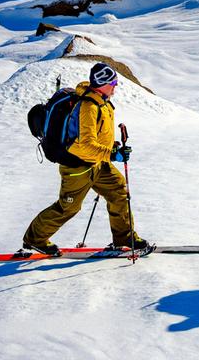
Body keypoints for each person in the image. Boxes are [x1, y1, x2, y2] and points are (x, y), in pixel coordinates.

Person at [22, 62, 147, 256]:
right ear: (102, 83)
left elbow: (96, 136)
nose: (115, 86)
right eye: (113, 82)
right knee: (68, 208)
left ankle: (124, 237)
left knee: (119, 191)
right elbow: (81, 145)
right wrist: (112, 154)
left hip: (98, 163)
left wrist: (112, 147)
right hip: (77, 167)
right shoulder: (88, 106)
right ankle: (34, 239)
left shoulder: (102, 102)